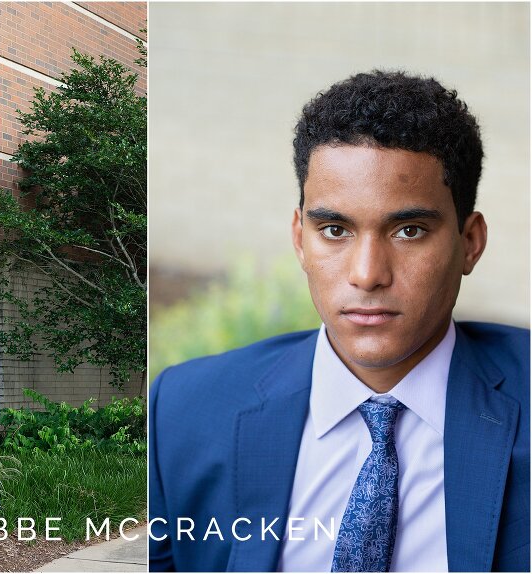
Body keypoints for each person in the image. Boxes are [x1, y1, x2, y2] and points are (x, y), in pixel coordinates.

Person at [149, 71, 529, 572]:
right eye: (334, 230)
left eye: (409, 231)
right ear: (299, 237)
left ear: (470, 242)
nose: (367, 274)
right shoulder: (184, 409)